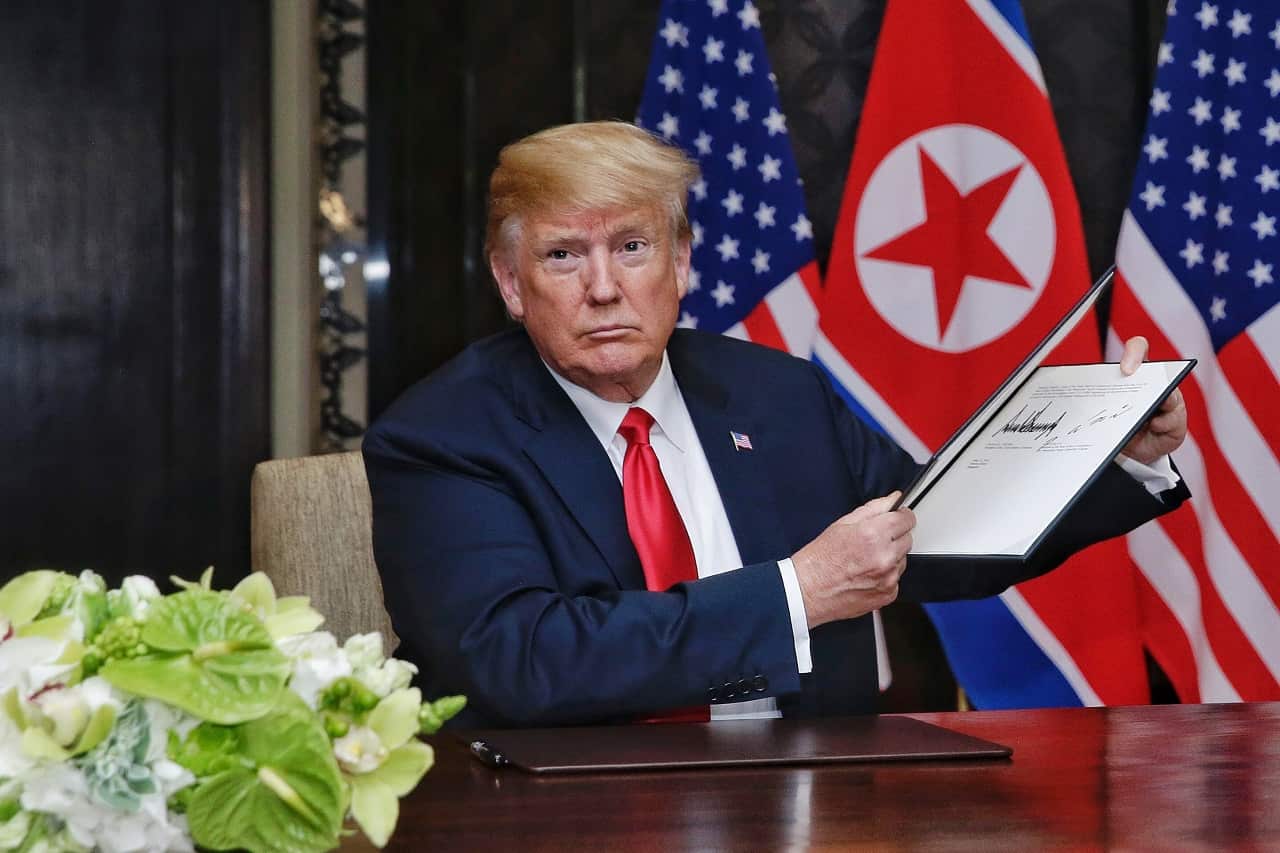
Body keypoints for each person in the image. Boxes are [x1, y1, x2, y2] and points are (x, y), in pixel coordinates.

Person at [363, 121, 1189, 728]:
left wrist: (1113, 454)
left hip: (808, 795)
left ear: (682, 263)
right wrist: (800, 591)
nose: (605, 287)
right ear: (511, 283)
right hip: (568, 811)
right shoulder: (443, 435)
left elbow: (937, 535)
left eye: (633, 246)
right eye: (563, 256)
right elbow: (522, 659)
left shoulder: (777, 395)